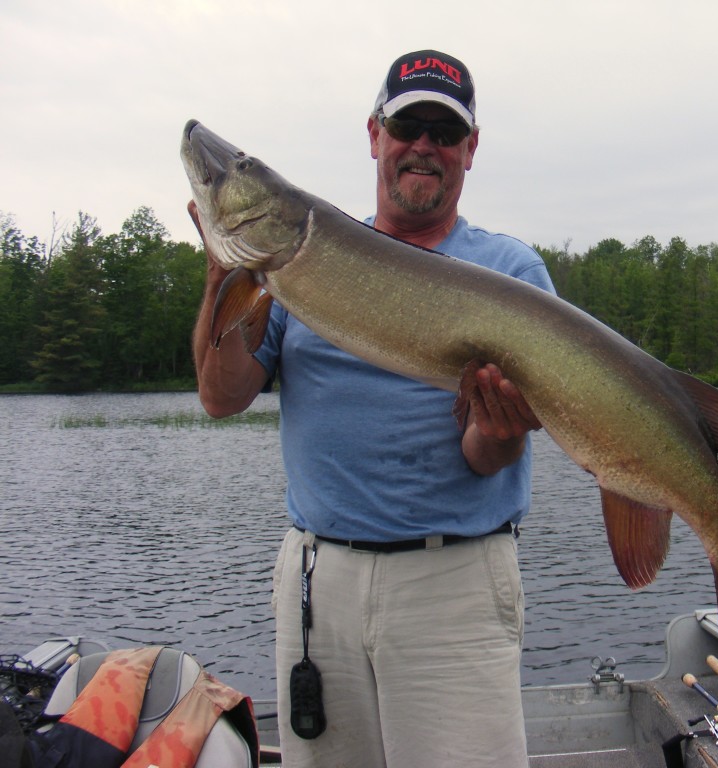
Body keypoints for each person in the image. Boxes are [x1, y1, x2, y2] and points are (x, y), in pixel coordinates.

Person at [191, 49, 556, 768]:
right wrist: (223, 274)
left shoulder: (510, 273)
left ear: (469, 150)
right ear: (374, 136)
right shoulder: (294, 261)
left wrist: (502, 430)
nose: (424, 144)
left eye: (444, 131)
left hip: (453, 584)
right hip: (316, 589)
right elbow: (220, 395)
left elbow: (485, 457)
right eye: (407, 124)